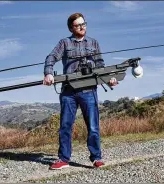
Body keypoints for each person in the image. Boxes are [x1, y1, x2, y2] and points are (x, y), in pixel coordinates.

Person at [43, 13, 118, 170]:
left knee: (93, 126)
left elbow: (100, 64)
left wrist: (109, 78)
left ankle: (96, 158)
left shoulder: (94, 43)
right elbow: (51, 57)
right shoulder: (64, 43)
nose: (82, 27)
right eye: (78, 25)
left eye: (84, 24)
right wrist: (48, 73)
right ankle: (64, 159)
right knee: (65, 126)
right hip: (68, 91)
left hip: (89, 90)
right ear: (71, 28)